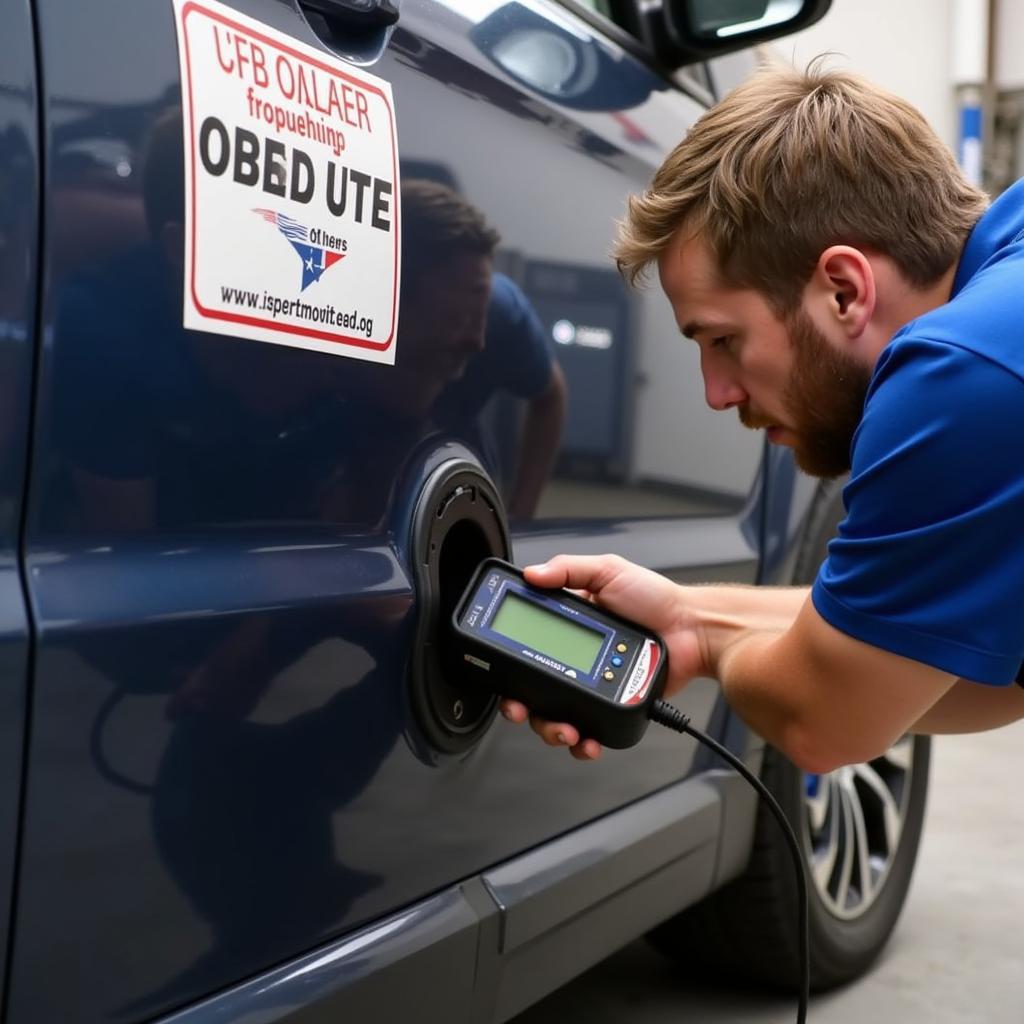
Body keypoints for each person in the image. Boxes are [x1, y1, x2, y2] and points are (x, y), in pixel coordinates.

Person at [501, 61, 1024, 768]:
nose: (717, 393)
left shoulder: (958, 376)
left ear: (843, 291)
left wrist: (710, 645)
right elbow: (948, 666)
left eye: (724, 341)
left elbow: (824, 720)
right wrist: (690, 617)